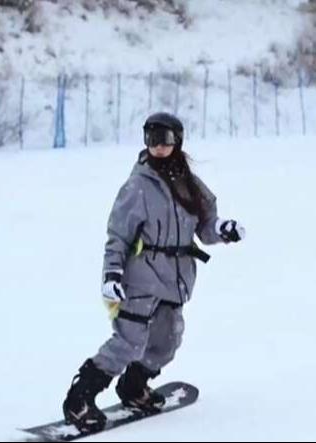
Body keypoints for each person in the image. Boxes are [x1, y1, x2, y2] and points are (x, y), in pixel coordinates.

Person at [62, 112, 245, 432]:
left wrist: (222, 229)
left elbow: (205, 225)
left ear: (178, 141)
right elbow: (118, 236)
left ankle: (133, 387)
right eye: (152, 139)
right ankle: (79, 399)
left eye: (165, 139)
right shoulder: (138, 186)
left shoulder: (189, 183)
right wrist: (112, 275)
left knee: (166, 342)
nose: (159, 146)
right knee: (129, 342)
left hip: (175, 279)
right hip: (141, 278)